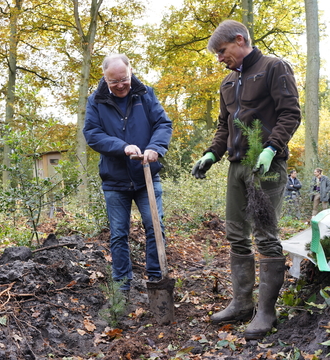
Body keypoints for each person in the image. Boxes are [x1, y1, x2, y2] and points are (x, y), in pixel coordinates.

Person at [191, 20, 301, 340]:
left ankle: (266, 311)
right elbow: (224, 126)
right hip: (237, 167)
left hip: (266, 166)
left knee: (265, 237)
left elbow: (290, 113)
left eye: (223, 51)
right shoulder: (227, 82)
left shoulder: (273, 68)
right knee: (236, 236)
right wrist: (211, 154)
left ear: (240, 41)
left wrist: (271, 148)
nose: (220, 58)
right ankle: (241, 303)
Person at [83, 54, 172, 294]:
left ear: (130, 72)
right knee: (119, 234)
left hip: (147, 176)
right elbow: (92, 133)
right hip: (115, 180)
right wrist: (121, 146)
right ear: (105, 78)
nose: (121, 85)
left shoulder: (145, 94)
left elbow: (163, 124)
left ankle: (156, 281)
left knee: (155, 227)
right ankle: (122, 288)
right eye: (114, 82)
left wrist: (155, 147)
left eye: (124, 79)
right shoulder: (96, 101)